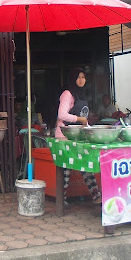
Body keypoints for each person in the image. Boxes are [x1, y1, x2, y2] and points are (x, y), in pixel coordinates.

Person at [55, 68, 101, 204]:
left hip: (76, 135)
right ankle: (61, 200)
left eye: (83, 77)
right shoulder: (67, 94)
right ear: (73, 79)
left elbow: (84, 117)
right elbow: (61, 115)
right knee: (66, 169)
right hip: (64, 135)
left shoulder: (80, 94)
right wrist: (80, 120)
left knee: (85, 163)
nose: (81, 80)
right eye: (78, 77)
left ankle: (96, 195)